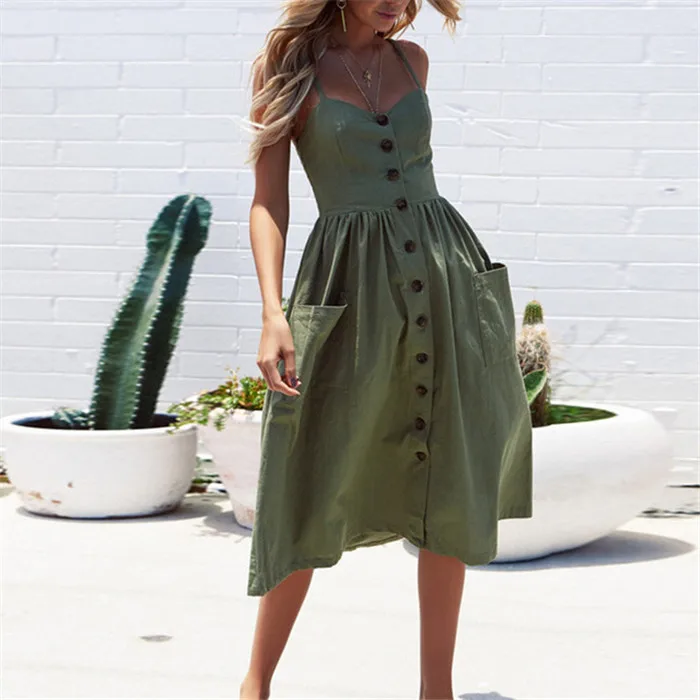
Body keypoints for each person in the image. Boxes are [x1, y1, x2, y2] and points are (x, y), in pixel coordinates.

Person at [241, 1, 533, 698]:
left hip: (445, 279)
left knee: (448, 476)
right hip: (350, 286)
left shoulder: (412, 61)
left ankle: (438, 688)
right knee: (308, 478)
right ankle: (256, 684)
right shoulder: (286, 68)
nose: (398, 4)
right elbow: (269, 201)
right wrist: (273, 312)